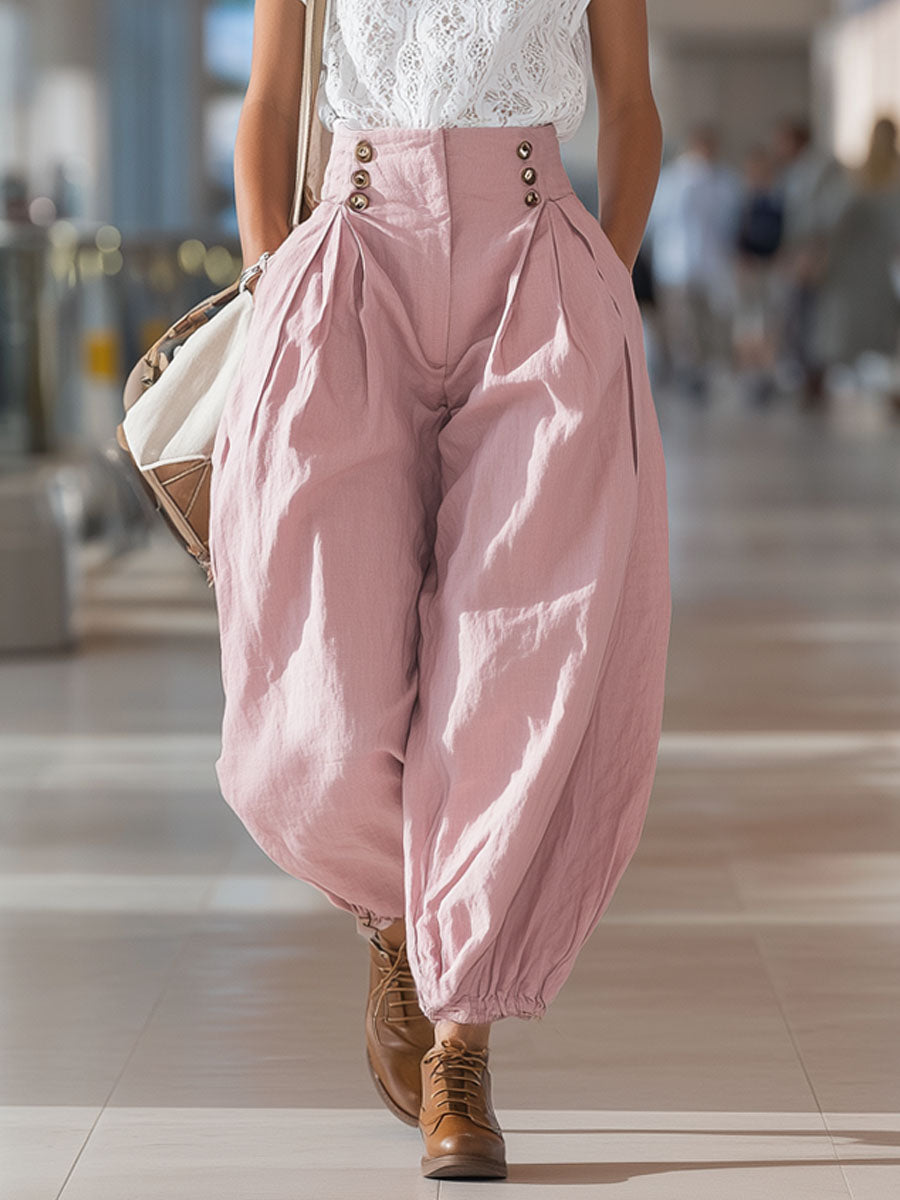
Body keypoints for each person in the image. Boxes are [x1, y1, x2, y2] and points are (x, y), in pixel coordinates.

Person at [208, 0, 671, 1181]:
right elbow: (271, 99)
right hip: (350, 258)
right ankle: (400, 910)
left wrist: (602, 286)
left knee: (516, 665)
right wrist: (273, 283)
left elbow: (629, 105)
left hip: (542, 268)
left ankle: (460, 1047)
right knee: (307, 720)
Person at [644, 124, 742, 400]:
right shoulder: (675, 179)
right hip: (678, 263)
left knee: (704, 322)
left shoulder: (723, 181)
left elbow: (731, 224)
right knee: (682, 322)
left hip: (705, 264)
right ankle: (688, 371)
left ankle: (699, 371)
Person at [808, 115, 900, 402]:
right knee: (847, 326)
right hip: (863, 264)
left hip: (872, 263)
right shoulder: (858, 176)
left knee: (863, 326)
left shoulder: (859, 177)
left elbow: (834, 220)